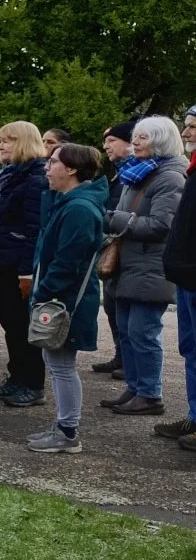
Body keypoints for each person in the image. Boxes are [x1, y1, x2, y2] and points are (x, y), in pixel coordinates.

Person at [101, 115, 187, 415]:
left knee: (143, 332)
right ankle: (135, 388)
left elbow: (163, 225)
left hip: (150, 266)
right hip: (131, 264)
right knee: (126, 330)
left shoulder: (170, 177)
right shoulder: (138, 172)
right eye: (135, 137)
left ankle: (150, 394)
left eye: (143, 138)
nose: (135, 142)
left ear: (161, 141)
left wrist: (115, 219)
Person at [27, 143, 108, 453]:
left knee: (62, 366)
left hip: (65, 301)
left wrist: (44, 292)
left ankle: (68, 431)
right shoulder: (69, 202)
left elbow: (67, 261)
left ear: (71, 169)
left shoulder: (78, 208)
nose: (47, 167)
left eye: (53, 162)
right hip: (62, 297)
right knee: (56, 363)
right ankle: (63, 424)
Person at [0, 122, 49, 408]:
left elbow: (35, 229)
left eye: (7, 141)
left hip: (20, 265)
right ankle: (17, 376)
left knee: (24, 325)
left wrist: (26, 271)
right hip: (4, 260)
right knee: (10, 323)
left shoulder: (36, 179)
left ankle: (33, 384)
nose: (0, 146)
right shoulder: (9, 175)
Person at [158, 105, 196, 450]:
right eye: (185, 126)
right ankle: (194, 416)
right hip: (186, 276)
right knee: (191, 349)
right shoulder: (193, 170)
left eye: (192, 127)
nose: (185, 133)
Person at [93, 119, 136, 378]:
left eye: (111, 141)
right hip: (113, 247)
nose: (105, 146)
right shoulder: (120, 172)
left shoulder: (135, 173)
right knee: (112, 306)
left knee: (125, 310)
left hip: (126, 250)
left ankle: (129, 363)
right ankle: (121, 356)